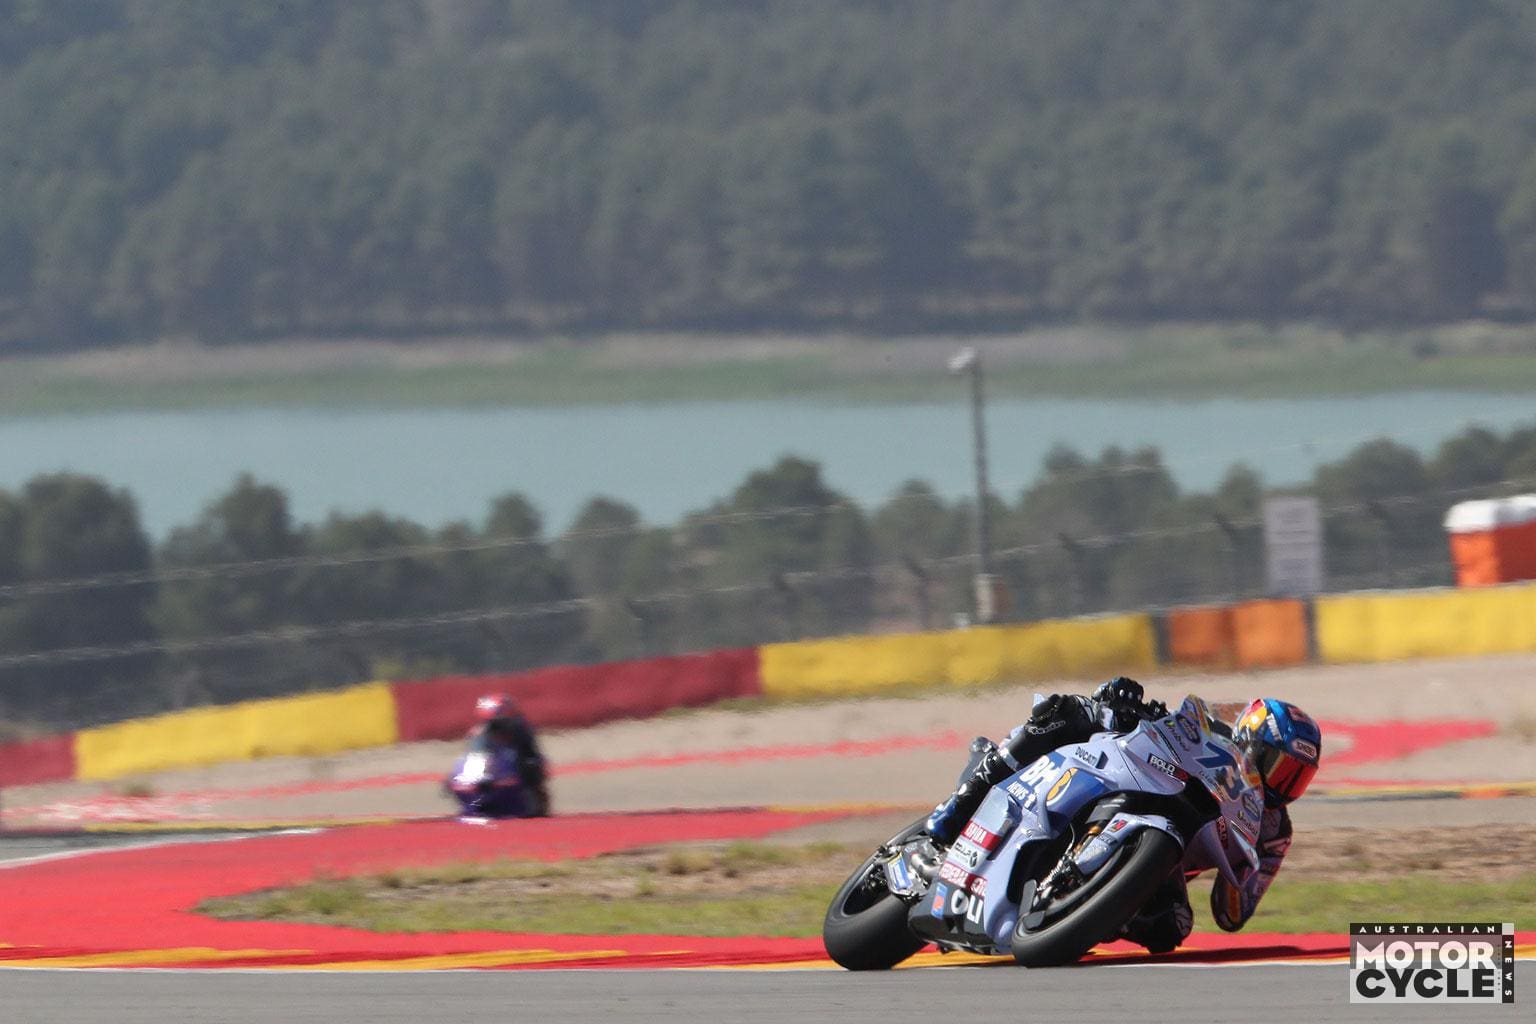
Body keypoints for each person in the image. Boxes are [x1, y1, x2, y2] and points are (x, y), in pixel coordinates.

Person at [923, 677, 1321, 954]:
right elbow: (1167, 723)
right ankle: (959, 805)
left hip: (1165, 861)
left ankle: (1087, 910)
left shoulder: (1275, 832)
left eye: (1295, 777)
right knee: (1068, 712)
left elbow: (1231, 915)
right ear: (1249, 738)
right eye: (1277, 765)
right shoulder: (1214, 732)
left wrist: (1246, 870)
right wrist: (1128, 701)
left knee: (1172, 929)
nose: (1281, 783)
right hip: (1144, 779)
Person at [464, 693, 550, 817]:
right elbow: (474, 755)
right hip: (491, 771)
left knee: (532, 769)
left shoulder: (522, 729)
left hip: (517, 770)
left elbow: (532, 753)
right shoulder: (479, 733)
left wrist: (532, 767)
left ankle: (530, 805)